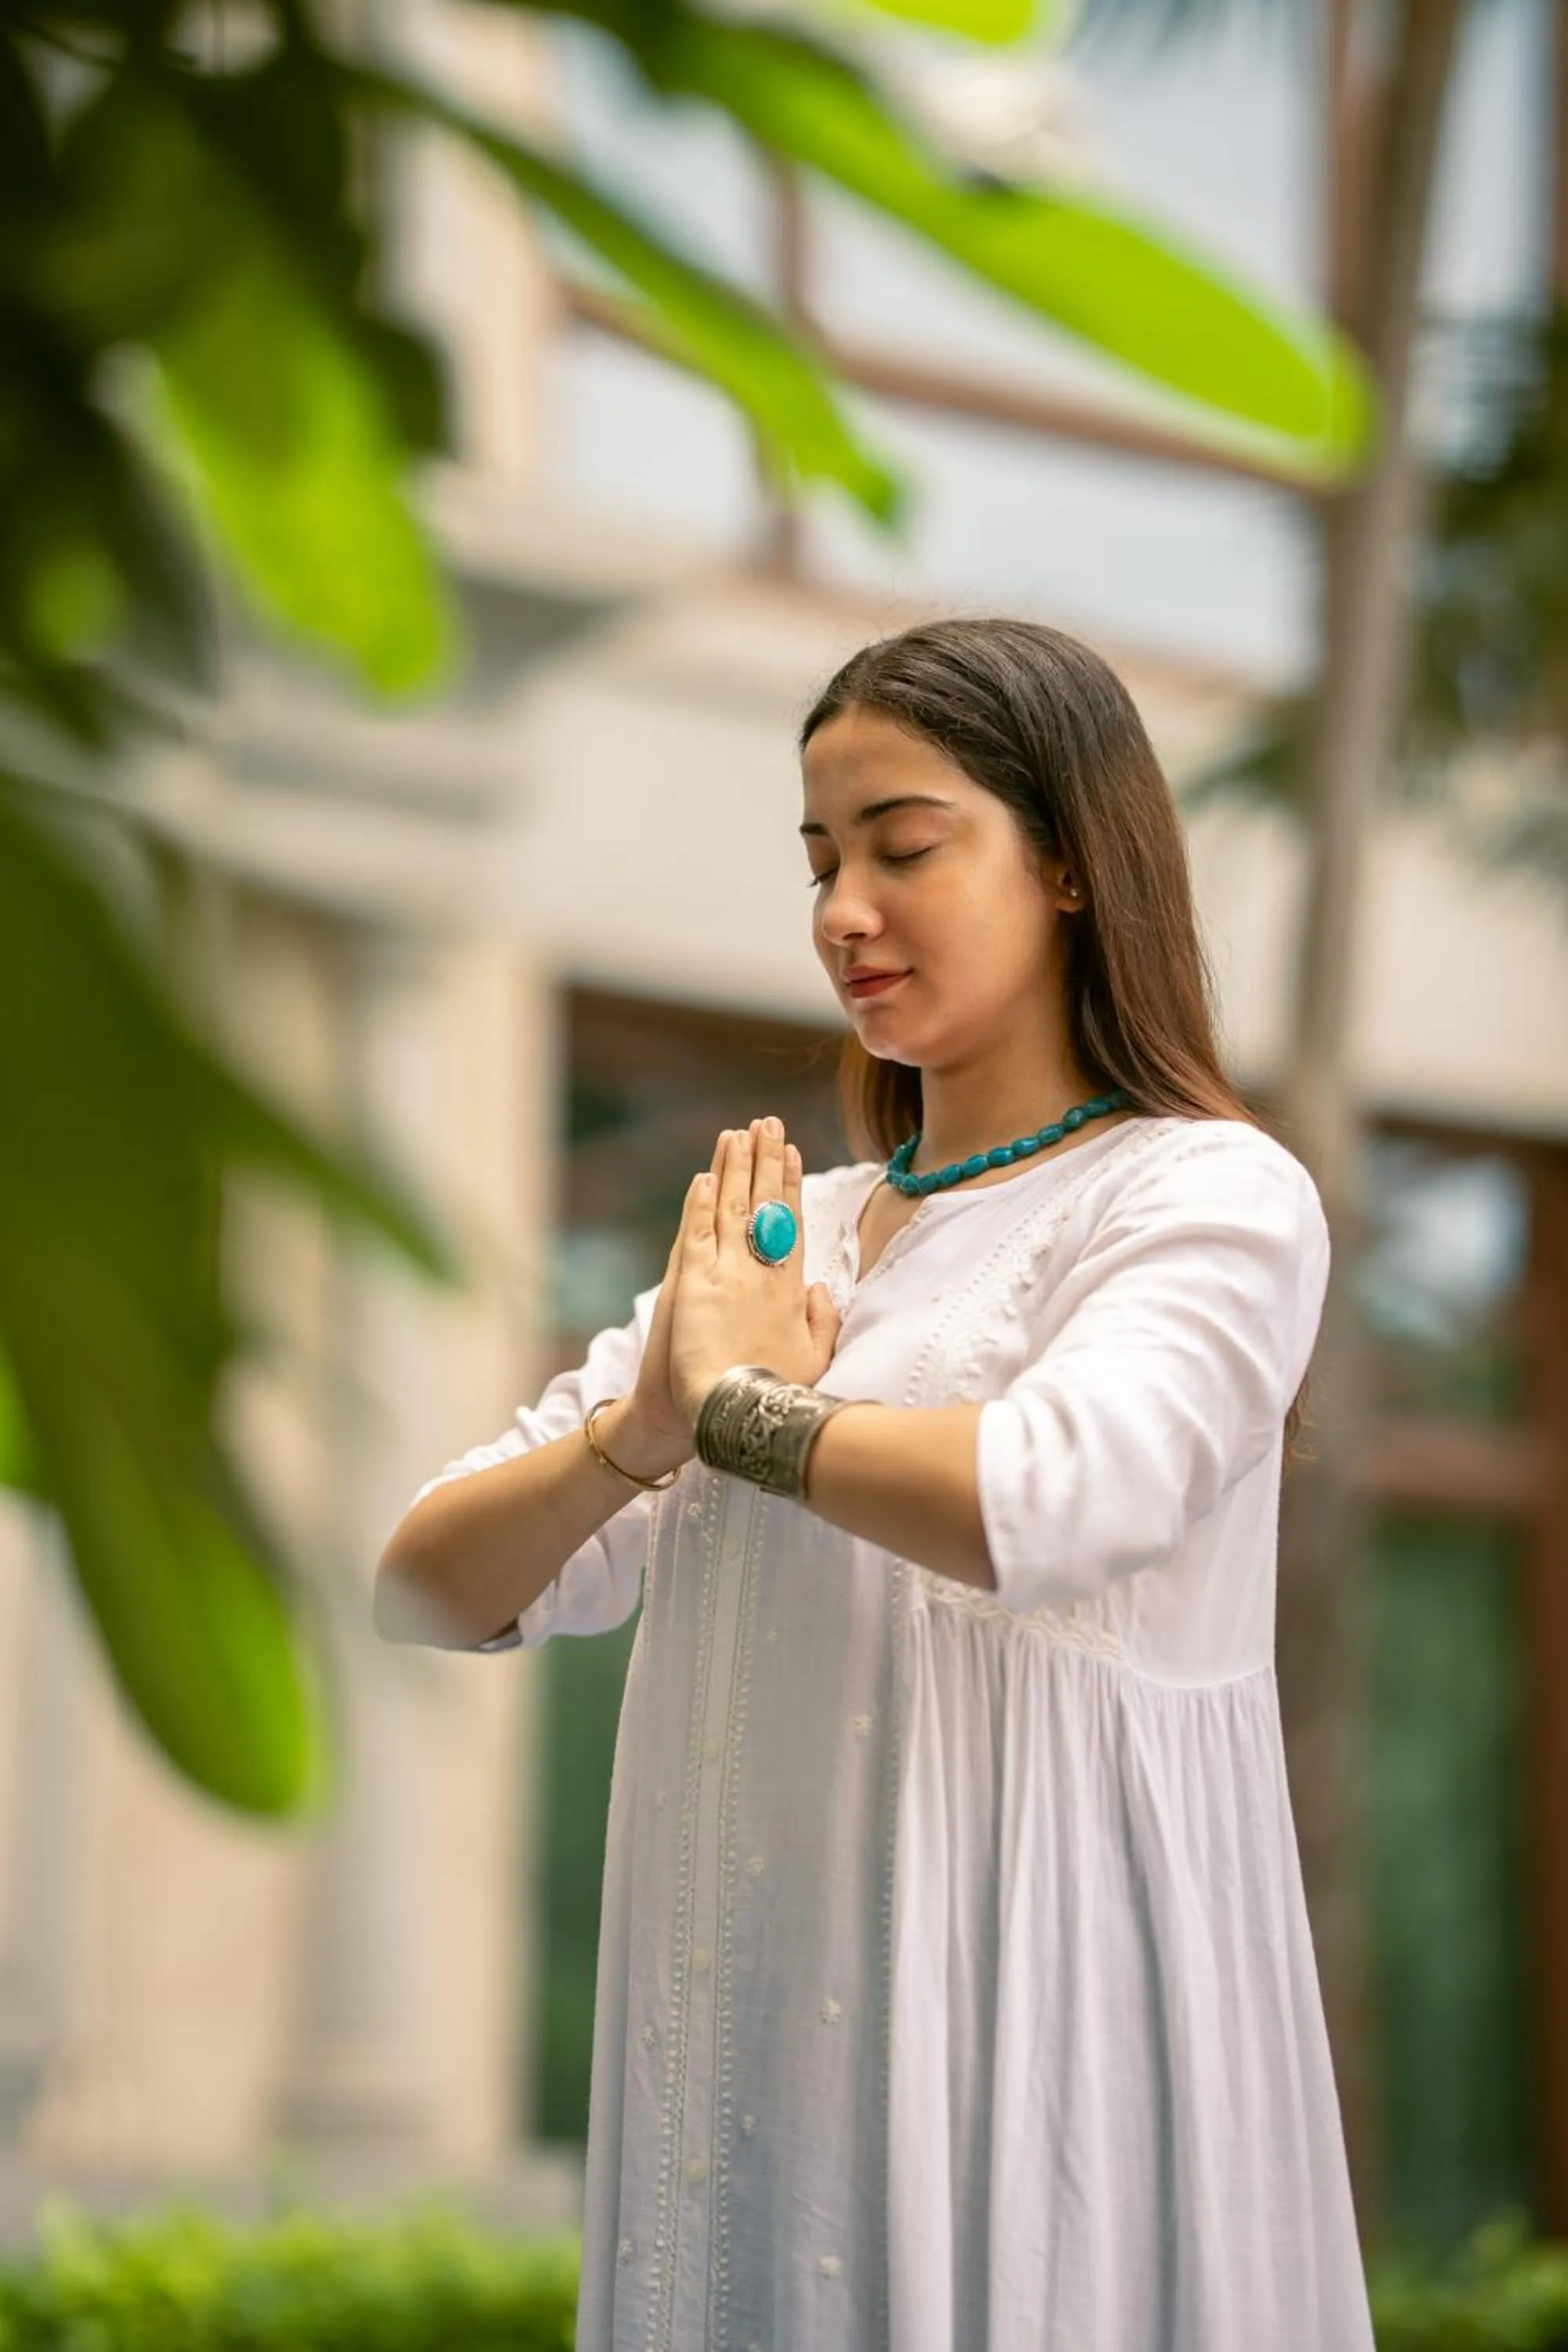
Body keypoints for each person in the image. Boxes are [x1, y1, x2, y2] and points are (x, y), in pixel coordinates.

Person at [375, 617, 1375, 2352]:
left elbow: (1054, 1495)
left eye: (905, 848)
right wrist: (643, 1434)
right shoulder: (786, 1232)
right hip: (743, 2050)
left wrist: (740, 1405)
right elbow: (424, 1584)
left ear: (1070, 863)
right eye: (822, 859)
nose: (844, 908)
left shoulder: (1205, 1194)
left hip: (1036, 2031)